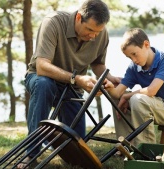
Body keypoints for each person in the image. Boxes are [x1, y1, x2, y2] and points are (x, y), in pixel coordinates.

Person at [19, 0, 120, 168]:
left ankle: (54, 143)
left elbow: (97, 64)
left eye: (97, 32)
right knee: (44, 85)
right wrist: (77, 78)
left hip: (72, 88)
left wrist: (108, 77)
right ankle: (31, 154)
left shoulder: (101, 34)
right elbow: (42, 66)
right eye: (89, 30)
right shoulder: (53, 22)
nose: (93, 36)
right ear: (79, 17)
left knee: (76, 151)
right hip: (41, 78)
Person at [105, 28, 164, 147]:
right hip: (148, 107)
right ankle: (127, 145)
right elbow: (117, 94)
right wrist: (109, 87)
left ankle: (146, 151)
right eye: (129, 57)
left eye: (134, 54)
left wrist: (127, 96)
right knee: (118, 99)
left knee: (137, 99)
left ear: (146, 44)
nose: (134, 60)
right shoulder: (134, 67)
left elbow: (151, 90)